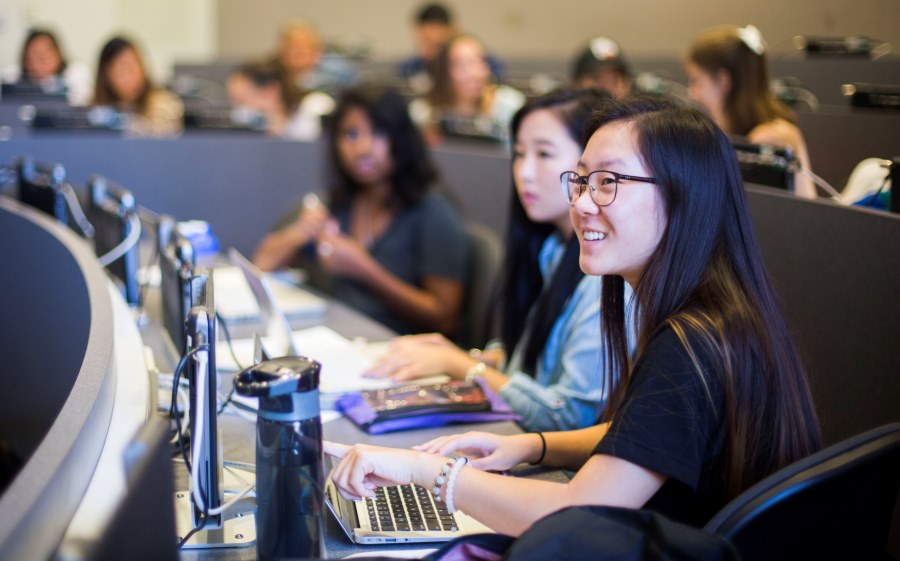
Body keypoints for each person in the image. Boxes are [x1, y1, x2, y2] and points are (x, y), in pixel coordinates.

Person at [326, 95, 822, 535]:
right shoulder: (713, 315)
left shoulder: (690, 345)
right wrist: (533, 447)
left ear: (682, 195)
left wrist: (424, 472)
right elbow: (642, 435)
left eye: (607, 182)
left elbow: (575, 515)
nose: (582, 203)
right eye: (581, 181)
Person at [367, 88, 616, 433]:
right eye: (519, 154)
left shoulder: (605, 276)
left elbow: (568, 418)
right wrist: (478, 359)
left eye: (544, 154)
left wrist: (460, 365)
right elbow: (535, 363)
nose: (524, 172)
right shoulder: (552, 251)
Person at [253, 85, 469, 336]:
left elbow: (443, 318)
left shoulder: (433, 212)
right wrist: (299, 233)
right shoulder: (339, 203)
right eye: (351, 134)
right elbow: (262, 263)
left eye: (378, 133)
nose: (363, 148)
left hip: (397, 347)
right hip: (338, 337)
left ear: (401, 140)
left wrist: (365, 269)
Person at [685, 25, 817, 198]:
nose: (692, 93)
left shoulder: (769, 138)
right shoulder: (743, 132)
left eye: (697, 81)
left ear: (723, 80)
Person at [410, 33, 525, 144]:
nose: (475, 73)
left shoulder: (510, 107)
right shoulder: (424, 112)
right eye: (462, 65)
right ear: (444, 72)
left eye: (481, 61)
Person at [398, 3, 504, 91]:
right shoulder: (410, 68)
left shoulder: (483, 63)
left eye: (438, 44)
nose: (432, 51)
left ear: (453, 31)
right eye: (425, 42)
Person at [92, 36, 183, 137]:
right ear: (105, 75)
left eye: (133, 67)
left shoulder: (164, 105)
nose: (129, 76)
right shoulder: (95, 112)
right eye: (121, 70)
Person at [226, 61, 334, 141]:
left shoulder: (315, 106)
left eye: (241, 100)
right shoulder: (249, 121)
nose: (240, 109)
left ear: (271, 90)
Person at [4, 28, 93, 106]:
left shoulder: (76, 75)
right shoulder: (13, 77)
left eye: (42, 59)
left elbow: (77, 104)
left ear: (58, 55)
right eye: (30, 59)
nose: (36, 66)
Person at [273, 19, 355, 93]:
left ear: (318, 52)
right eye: (292, 48)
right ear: (282, 53)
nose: (298, 53)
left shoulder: (337, 75)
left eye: (303, 48)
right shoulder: (272, 78)